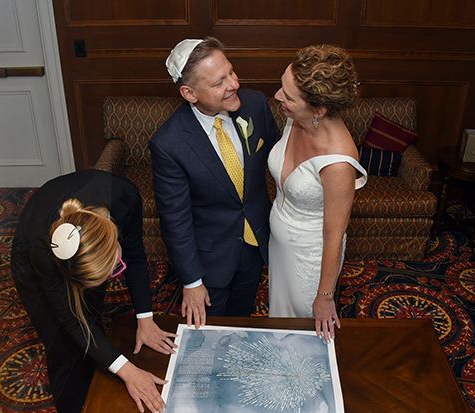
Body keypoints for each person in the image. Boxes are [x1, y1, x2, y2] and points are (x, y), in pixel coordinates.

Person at [10, 169, 174, 413]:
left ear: (113, 236)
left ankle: (98, 377)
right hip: (31, 266)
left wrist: (145, 318)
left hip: (86, 254)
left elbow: (133, 256)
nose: (115, 273)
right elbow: (71, 318)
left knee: (93, 319)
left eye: (114, 268)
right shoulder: (44, 250)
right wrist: (128, 371)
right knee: (62, 344)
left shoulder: (125, 196)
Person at [150, 37, 281, 325]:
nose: (234, 84)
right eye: (219, 82)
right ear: (190, 93)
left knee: (243, 321)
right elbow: (176, 219)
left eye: (231, 72)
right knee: (210, 334)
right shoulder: (169, 144)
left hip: (255, 244)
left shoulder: (255, 105)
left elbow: (281, 156)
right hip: (211, 261)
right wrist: (192, 281)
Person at [267, 45, 368, 339]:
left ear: (319, 109)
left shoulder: (338, 163)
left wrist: (324, 295)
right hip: (279, 247)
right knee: (279, 321)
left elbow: (334, 234)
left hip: (309, 259)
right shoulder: (295, 117)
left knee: (301, 331)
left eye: (287, 95)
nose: (277, 96)